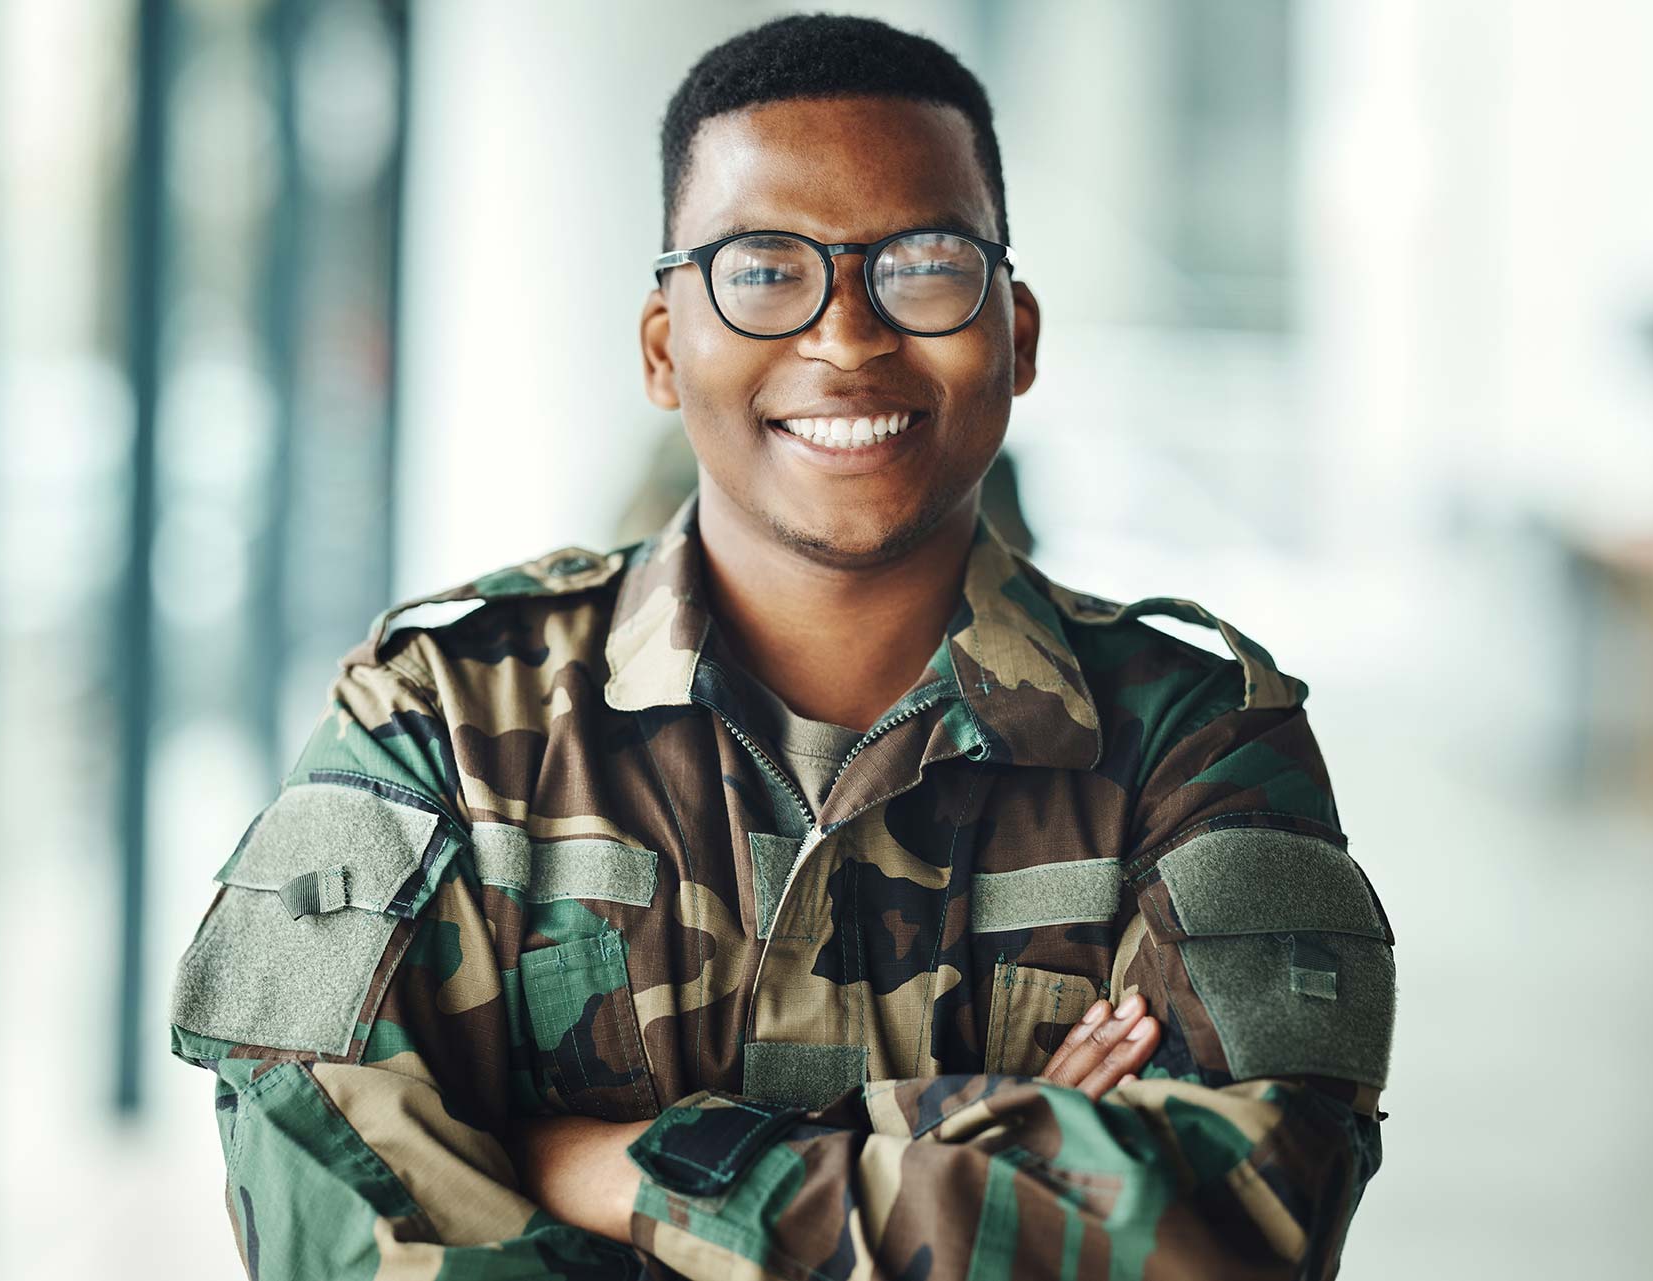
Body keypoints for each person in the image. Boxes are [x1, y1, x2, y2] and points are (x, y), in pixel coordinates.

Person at [167, 12, 1396, 1279]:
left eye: (922, 265)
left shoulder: (1197, 737)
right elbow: (333, 1225)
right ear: (663, 346)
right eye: (763, 270)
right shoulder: (443, 721)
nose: (850, 337)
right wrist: (984, 1150)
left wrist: (592, 1161)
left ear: (1016, 336)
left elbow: (1223, 1236)